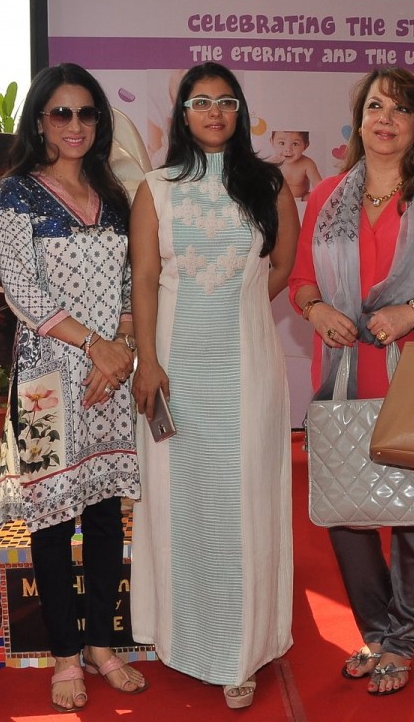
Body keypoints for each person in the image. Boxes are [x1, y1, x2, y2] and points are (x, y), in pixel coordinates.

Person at [128, 61, 299, 710]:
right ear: (182, 114)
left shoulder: (268, 184)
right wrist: (148, 361)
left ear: (240, 111)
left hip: (248, 374)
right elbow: (145, 280)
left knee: (244, 504)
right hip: (176, 373)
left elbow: (281, 266)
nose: (215, 112)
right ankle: (181, 636)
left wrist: (241, 307)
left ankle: (241, 650)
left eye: (226, 101)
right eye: (201, 102)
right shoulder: (156, 188)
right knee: (183, 505)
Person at [0, 63, 146, 713]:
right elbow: (21, 290)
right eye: (61, 113)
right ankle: (63, 655)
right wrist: (94, 346)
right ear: (39, 120)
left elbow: (133, 283)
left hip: (110, 381)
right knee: (52, 520)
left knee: (106, 513)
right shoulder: (18, 193)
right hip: (45, 385)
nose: (75, 125)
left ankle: (103, 645)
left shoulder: (113, 193)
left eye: (86, 113)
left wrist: (121, 353)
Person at [288, 66, 414, 698]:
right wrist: (316, 311)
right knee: (345, 509)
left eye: (401, 109)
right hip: (344, 373)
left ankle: (403, 639)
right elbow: (301, 280)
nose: (386, 119)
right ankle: (376, 632)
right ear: (358, 120)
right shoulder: (329, 194)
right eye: (376, 106)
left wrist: (413, 313)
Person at [269, 130, 322, 198]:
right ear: (272, 142)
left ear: (306, 145)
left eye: (295, 144)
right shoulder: (272, 164)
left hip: (300, 199)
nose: (288, 149)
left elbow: (319, 186)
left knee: (309, 197)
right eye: (282, 143)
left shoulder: (307, 164)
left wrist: (313, 196)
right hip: (280, 200)